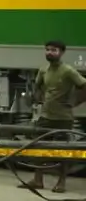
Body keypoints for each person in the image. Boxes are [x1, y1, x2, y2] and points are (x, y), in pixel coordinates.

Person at [20, 40, 86, 193]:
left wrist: (75, 101)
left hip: (63, 119)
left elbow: (84, 85)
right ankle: (37, 180)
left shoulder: (68, 71)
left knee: (62, 151)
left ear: (61, 52)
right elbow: (38, 87)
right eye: (47, 49)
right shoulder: (43, 70)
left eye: (53, 50)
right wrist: (36, 99)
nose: (49, 52)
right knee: (38, 149)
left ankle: (61, 182)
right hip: (45, 117)